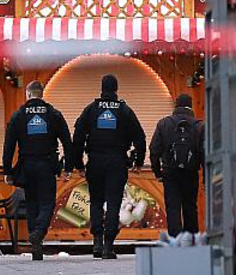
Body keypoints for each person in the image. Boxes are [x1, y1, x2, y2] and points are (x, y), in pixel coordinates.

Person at [71, 74, 146, 259]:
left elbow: (78, 138)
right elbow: (140, 138)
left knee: (96, 201)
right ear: (116, 89)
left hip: (95, 161)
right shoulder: (124, 110)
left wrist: (79, 164)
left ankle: (96, 242)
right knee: (113, 203)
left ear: (102, 88)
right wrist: (138, 162)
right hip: (117, 161)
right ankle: (108, 246)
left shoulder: (91, 110)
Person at [2, 80, 74, 261]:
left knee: (32, 204)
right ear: (41, 94)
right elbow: (67, 141)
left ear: (28, 94)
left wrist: (7, 171)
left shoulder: (18, 116)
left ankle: (36, 244)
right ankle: (39, 233)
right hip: (47, 164)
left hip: (26, 165)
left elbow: (9, 145)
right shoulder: (53, 114)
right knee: (47, 202)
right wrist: (68, 167)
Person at [149, 93, 204, 238]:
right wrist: (205, 177)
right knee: (190, 206)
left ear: (176, 105)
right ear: (190, 106)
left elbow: (154, 150)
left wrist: (157, 172)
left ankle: (175, 240)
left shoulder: (164, 123)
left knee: (173, 206)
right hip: (191, 172)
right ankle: (191, 240)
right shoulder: (199, 126)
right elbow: (205, 153)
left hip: (170, 173)